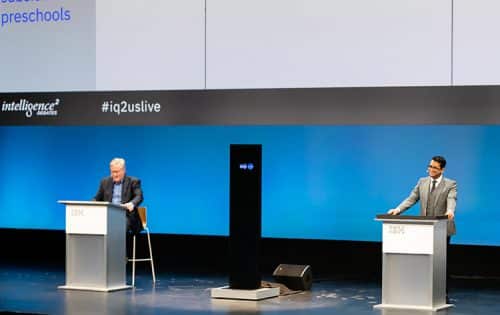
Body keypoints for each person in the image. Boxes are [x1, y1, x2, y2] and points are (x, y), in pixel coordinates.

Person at [387, 155, 457, 303]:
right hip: (424, 229)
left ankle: (442, 293)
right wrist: (398, 209)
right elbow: (412, 198)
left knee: (441, 262)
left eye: (434, 168)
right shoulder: (422, 182)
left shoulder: (450, 184)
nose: (431, 170)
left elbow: (452, 199)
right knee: (425, 259)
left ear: (442, 169)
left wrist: (450, 211)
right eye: (430, 166)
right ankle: (423, 290)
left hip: (442, 229)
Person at [93, 157, 144, 235]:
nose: (114, 175)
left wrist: (132, 204)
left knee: (119, 226)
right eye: (112, 172)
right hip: (107, 215)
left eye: (117, 172)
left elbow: (139, 196)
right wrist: (92, 203)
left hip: (126, 216)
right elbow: (97, 198)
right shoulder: (105, 182)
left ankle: (117, 247)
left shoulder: (133, 181)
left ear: (123, 170)